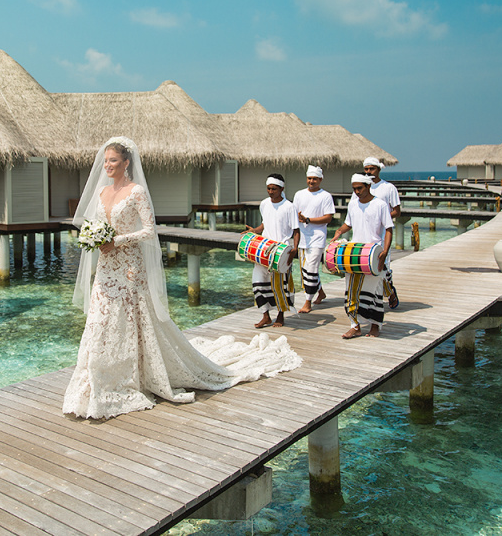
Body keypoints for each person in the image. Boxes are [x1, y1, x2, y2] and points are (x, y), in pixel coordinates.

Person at [64, 137, 301, 419]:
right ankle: (98, 376)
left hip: (129, 265)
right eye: (105, 161)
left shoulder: (137, 191)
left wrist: (118, 240)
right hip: (106, 266)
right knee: (101, 319)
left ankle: (135, 374)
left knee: (129, 318)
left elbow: (149, 231)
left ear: (126, 163)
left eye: (113, 160)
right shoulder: (102, 191)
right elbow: (94, 224)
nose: (107, 165)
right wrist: (95, 238)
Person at [332, 173, 393, 338]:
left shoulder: (380, 205)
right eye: (354, 189)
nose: (357, 192)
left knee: (374, 292)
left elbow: (388, 229)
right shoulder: (353, 204)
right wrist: (339, 231)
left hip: (374, 253)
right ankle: (355, 326)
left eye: (359, 188)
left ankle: (375, 325)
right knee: (351, 291)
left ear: (368, 186)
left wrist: (385, 251)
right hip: (354, 252)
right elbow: (348, 223)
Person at [244, 174, 300, 328]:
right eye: (268, 188)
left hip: (281, 251)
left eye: (274, 189)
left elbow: (296, 230)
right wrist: (255, 231)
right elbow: (265, 223)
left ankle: (280, 315)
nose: (270, 191)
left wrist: (295, 249)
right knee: (258, 282)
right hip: (264, 249)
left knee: (279, 285)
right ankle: (266, 316)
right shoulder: (264, 204)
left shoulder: (289, 207)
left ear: (281, 189)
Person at [293, 165, 335, 314]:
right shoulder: (299, 194)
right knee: (305, 270)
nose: (312, 181)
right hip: (302, 237)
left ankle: (307, 302)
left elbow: (328, 218)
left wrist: (308, 220)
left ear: (320, 179)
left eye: (315, 179)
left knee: (311, 269)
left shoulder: (325, 196)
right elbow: (293, 214)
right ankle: (321, 292)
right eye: (309, 178)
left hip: (317, 237)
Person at [362, 156, 401, 309]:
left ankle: (390, 292)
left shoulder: (388, 188)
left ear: (378, 169)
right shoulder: (361, 187)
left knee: (383, 267)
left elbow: (397, 211)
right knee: (368, 268)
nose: (369, 172)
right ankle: (372, 301)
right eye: (366, 169)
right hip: (365, 234)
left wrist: (381, 218)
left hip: (383, 234)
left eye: (372, 169)